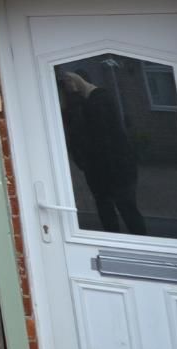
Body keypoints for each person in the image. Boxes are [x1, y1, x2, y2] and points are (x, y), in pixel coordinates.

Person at [59, 68, 146, 235]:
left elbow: (87, 132)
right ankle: (115, 243)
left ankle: (143, 245)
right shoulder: (91, 101)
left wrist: (74, 98)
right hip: (102, 170)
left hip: (115, 168)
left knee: (125, 208)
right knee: (109, 209)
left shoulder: (98, 100)